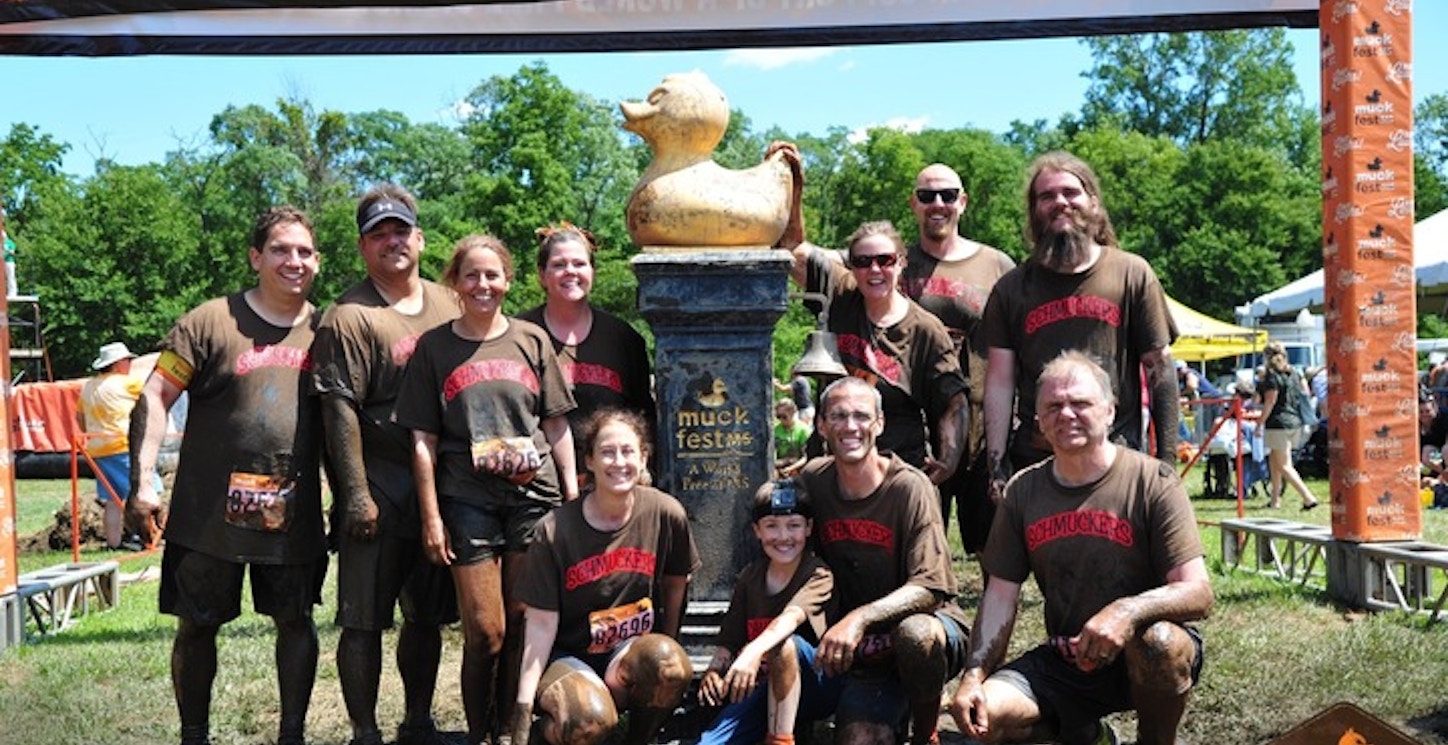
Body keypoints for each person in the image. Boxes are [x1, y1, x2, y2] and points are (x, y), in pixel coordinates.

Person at [126, 206, 327, 745]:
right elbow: (155, 394)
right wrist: (144, 479)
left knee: (295, 621)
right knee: (197, 625)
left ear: (318, 261)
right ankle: (194, 734)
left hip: (292, 509)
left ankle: (292, 734)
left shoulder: (328, 329)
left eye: (305, 251)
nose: (295, 260)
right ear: (255, 256)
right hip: (207, 512)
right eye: (282, 250)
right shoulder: (211, 321)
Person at [948, 351, 1213, 745]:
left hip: (1145, 653)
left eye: (1080, 403)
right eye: (1053, 406)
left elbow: (1198, 592)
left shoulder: (1153, 481)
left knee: (1159, 643)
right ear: (1038, 421)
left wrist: (1126, 612)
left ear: (1109, 411)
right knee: (984, 717)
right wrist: (973, 675)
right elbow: (1000, 596)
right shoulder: (1023, 491)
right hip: (1070, 659)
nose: (1066, 414)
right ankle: (1088, 735)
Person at [394, 234, 579, 745]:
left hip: (532, 497)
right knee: (485, 632)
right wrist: (432, 517)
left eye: (493, 275)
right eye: (472, 275)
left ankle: (510, 731)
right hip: (467, 500)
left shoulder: (531, 339)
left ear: (508, 280)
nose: (483, 285)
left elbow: (557, 424)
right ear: (455, 282)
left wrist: (569, 498)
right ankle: (479, 733)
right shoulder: (435, 347)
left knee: (523, 621)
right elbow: (423, 441)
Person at [312, 185, 460, 745]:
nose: (392, 242)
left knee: (425, 616)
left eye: (401, 230)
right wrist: (354, 494)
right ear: (361, 247)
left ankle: (418, 722)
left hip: (440, 488)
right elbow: (337, 406)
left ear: (419, 239)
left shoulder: (450, 302)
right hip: (380, 484)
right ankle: (364, 731)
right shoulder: (349, 316)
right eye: (379, 234)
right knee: (364, 618)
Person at [982, 151, 1179, 500]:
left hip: (1116, 456)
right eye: (1047, 196)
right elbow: (999, 381)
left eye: (1070, 192)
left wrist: (1166, 462)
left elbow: (1160, 368)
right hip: (1036, 460)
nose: (1060, 202)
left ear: (1093, 202)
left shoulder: (1132, 274)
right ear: (1034, 210)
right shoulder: (1011, 289)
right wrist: (996, 467)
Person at [508, 408, 699, 745]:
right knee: (590, 721)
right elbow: (539, 625)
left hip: (625, 654)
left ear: (643, 458)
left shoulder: (666, 513)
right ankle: (547, 733)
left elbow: (676, 583)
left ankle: (640, 739)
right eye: (607, 452)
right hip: (567, 656)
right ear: (590, 461)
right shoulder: (554, 531)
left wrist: (667, 644)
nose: (618, 462)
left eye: (628, 451)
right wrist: (523, 708)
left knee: (669, 666)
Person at [798, 375, 972, 745]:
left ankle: (927, 733)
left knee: (917, 636)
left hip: (926, 629)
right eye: (838, 416)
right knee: (861, 738)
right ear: (821, 425)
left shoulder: (909, 487)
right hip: (863, 652)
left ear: (879, 423)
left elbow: (930, 586)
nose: (850, 427)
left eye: (861, 416)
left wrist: (858, 619)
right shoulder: (813, 481)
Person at [789, 220, 969, 485]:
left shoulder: (925, 330)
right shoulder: (841, 294)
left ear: (901, 263)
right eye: (862, 261)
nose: (874, 269)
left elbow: (954, 400)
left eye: (885, 260)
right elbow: (791, 249)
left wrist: (948, 463)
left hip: (896, 472)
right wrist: (794, 180)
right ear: (851, 267)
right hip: (833, 466)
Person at [901, 163, 1016, 555]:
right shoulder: (892, 264)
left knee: (992, 545)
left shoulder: (997, 265)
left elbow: (1020, 342)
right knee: (917, 540)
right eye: (927, 195)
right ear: (913, 204)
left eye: (948, 195)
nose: (938, 204)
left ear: (962, 202)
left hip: (984, 424)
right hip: (915, 423)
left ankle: (994, 616)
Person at [696, 480, 834, 745]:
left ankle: (780, 740)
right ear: (757, 531)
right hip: (761, 687)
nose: (783, 537)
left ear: (808, 528)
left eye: (793, 525)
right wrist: (714, 671)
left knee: (783, 645)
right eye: (771, 526)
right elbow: (730, 640)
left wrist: (752, 651)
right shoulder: (750, 577)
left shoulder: (817, 574)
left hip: (813, 686)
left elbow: (789, 619)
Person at [518, 222, 655, 473]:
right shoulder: (519, 334)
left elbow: (644, 418)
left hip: (611, 480)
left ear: (593, 271)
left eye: (579, 264)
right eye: (558, 265)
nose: (570, 271)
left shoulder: (623, 338)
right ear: (542, 274)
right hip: (539, 483)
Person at [76, 341, 150, 550]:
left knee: (111, 499)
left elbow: (80, 418)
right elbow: (152, 396)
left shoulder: (88, 387)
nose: (130, 364)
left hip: (97, 449)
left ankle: (114, 542)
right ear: (117, 364)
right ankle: (148, 537)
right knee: (144, 490)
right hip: (123, 445)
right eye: (127, 360)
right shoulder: (128, 384)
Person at [1259, 341, 1319, 510]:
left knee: (1284, 465)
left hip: (1278, 423)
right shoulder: (1295, 373)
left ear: (1267, 357)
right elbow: (1305, 394)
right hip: (1295, 422)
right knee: (1274, 460)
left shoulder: (1272, 376)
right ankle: (1275, 499)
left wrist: (1259, 424)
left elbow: (1270, 401)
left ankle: (1308, 497)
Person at [773, 399, 809, 478]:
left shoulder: (804, 430)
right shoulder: (776, 430)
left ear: (793, 412)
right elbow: (773, 453)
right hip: (779, 467)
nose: (781, 420)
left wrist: (790, 468)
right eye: (778, 417)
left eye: (784, 416)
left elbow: (806, 457)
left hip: (798, 468)